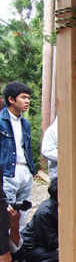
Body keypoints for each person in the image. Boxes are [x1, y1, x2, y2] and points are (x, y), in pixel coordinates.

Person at [0, 81, 35, 230]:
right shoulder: (1, 121)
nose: (27, 101)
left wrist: (31, 171)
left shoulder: (25, 123)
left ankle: (18, 249)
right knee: (6, 214)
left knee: (23, 215)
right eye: (23, 97)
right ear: (11, 99)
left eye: (28, 98)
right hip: (8, 172)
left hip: (25, 172)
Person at [16, 178, 59, 262]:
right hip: (29, 249)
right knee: (62, 256)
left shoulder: (60, 207)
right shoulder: (46, 212)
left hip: (43, 245)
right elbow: (50, 241)